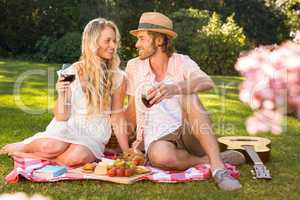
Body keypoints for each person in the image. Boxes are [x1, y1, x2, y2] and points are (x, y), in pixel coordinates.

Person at [124, 12, 245, 190]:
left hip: (190, 132)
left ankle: (219, 170)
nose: (136, 44)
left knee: (190, 93)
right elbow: (132, 112)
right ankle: (212, 159)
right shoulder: (134, 67)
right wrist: (126, 143)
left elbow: (206, 82)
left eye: (141, 38)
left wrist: (174, 88)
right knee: (160, 157)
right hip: (159, 140)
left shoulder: (182, 62)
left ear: (158, 40)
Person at [0, 18, 129, 167]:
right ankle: (24, 147)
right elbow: (61, 116)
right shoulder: (71, 71)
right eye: (108, 41)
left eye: (114, 41)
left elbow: (118, 116)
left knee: (74, 159)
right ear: (93, 42)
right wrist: (61, 95)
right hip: (69, 126)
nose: (113, 45)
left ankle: (25, 155)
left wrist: (126, 151)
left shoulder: (119, 77)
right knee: (51, 147)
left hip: (94, 134)